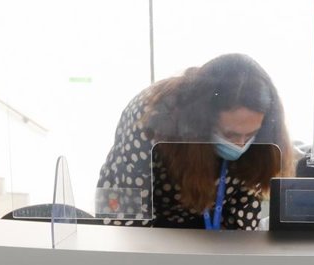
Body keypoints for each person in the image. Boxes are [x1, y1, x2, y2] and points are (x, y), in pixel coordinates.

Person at [96, 53, 294, 231]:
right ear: (202, 121)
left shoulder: (266, 135)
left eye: (251, 134)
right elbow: (127, 218)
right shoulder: (149, 115)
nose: (240, 144)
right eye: (229, 134)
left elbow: (244, 208)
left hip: (206, 220)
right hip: (141, 212)